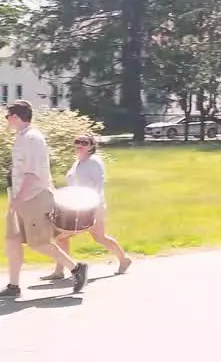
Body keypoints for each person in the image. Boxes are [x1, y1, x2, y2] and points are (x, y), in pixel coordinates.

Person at [3, 100, 88, 297]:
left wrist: (19, 199)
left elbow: (32, 174)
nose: (6, 120)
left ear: (15, 117)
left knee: (38, 242)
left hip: (33, 198)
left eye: (8, 117)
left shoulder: (32, 138)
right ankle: (13, 286)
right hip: (19, 198)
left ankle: (76, 268)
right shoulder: (22, 137)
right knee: (12, 240)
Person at [43, 133, 131, 280]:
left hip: (93, 207)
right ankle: (60, 270)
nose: (80, 145)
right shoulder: (77, 162)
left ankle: (124, 259)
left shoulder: (93, 162)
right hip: (78, 207)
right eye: (77, 142)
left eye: (84, 142)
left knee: (97, 237)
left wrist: (90, 203)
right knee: (62, 237)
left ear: (91, 146)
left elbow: (98, 184)